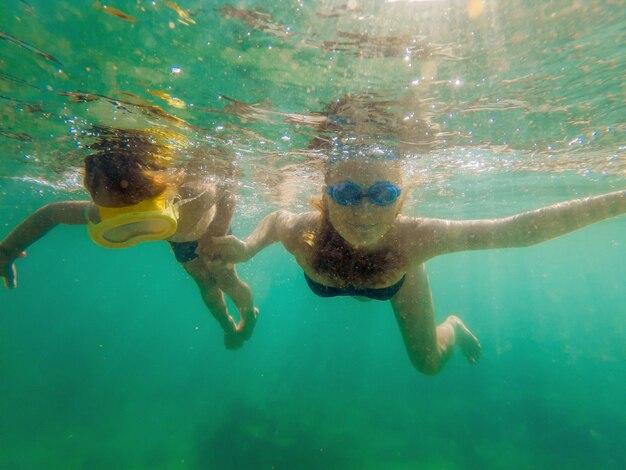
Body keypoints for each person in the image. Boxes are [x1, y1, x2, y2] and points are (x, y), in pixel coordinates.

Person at [205, 97, 626, 375]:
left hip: (398, 282)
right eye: (348, 193)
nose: (365, 212)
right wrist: (247, 246)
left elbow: (517, 232)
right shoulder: (304, 233)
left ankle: (454, 327)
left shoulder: (414, 240)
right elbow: (276, 218)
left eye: (383, 194)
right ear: (326, 195)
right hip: (358, 274)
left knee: (426, 364)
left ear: (402, 199)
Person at [0, 126, 257, 349]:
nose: (123, 218)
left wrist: (218, 230)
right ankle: (226, 325)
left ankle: (249, 313)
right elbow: (52, 214)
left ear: (151, 191)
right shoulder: (113, 201)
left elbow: (228, 185)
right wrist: (7, 249)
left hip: (211, 232)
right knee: (205, 285)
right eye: (115, 214)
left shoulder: (194, 187)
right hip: (179, 239)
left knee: (225, 278)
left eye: (129, 211)